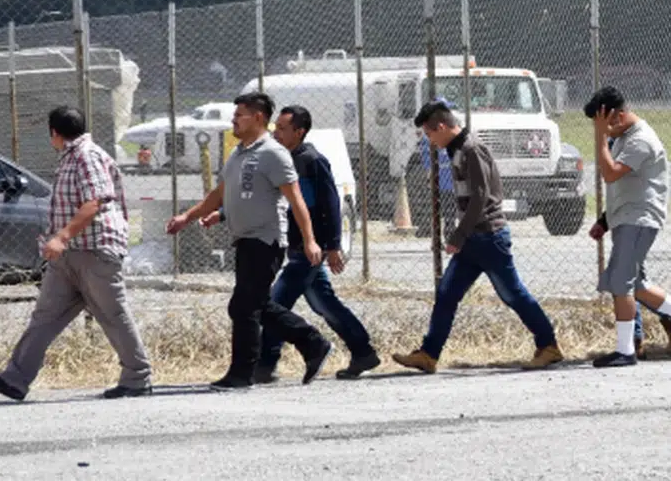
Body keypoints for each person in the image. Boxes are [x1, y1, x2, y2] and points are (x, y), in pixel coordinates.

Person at [0, 106, 152, 401]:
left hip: (95, 251)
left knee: (113, 315)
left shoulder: (87, 156)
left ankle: (138, 378)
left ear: (54, 133)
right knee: (44, 317)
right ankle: (15, 380)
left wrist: (61, 236)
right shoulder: (71, 157)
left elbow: (94, 202)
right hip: (70, 256)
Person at [167, 93, 333, 390]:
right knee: (253, 304)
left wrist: (310, 241)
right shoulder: (240, 153)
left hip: (266, 240)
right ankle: (312, 343)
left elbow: (296, 201)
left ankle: (242, 373)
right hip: (244, 239)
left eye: (239, 115)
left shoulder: (273, 153)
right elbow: (222, 193)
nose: (233, 120)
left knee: (244, 307)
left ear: (258, 117)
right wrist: (189, 217)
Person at [202, 105, 380, 382]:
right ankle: (362, 351)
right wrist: (223, 214)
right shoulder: (279, 158)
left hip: (309, 248)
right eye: (277, 128)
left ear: (300, 132)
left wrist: (332, 245)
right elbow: (260, 197)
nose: (278, 133)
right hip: (296, 246)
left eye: (284, 129)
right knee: (324, 304)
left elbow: (331, 204)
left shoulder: (311, 160)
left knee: (271, 302)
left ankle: (268, 362)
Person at [393, 100, 564, 373]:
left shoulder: (471, 149)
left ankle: (549, 346)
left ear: (441, 127)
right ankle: (428, 354)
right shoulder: (457, 148)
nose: (430, 141)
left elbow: (481, 196)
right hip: (474, 240)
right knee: (447, 295)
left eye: (429, 134)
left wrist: (459, 234)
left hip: (489, 236)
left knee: (513, 294)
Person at [584, 87, 671, 367]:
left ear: (614, 116)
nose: (600, 129)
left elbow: (611, 174)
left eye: (601, 122)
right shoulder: (623, 138)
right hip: (626, 217)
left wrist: (601, 138)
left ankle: (625, 351)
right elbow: (625, 187)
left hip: (639, 220)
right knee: (637, 284)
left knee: (621, 282)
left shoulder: (641, 140)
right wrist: (604, 221)